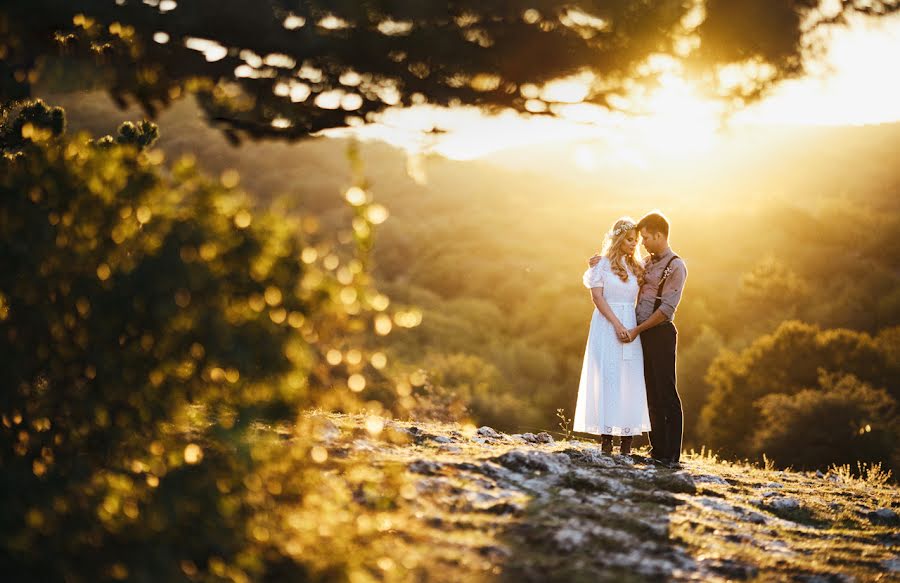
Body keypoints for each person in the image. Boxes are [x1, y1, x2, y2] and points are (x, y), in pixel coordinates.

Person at [590, 211, 688, 468]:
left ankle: (671, 455)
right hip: (639, 333)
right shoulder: (646, 262)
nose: (642, 242)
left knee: (666, 392)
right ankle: (657, 451)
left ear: (659, 235)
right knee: (649, 392)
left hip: (659, 332)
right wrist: (601, 261)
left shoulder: (676, 265)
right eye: (639, 238)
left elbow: (667, 309)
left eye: (645, 237)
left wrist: (636, 330)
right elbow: (622, 266)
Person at [573, 217, 651, 455]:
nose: (633, 244)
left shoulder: (637, 266)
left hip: (631, 323)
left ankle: (626, 442)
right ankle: (606, 440)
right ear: (618, 239)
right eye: (629, 240)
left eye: (636, 241)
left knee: (630, 377)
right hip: (607, 324)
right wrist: (617, 324)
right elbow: (598, 298)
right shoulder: (602, 265)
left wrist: (629, 326)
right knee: (608, 376)